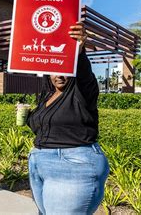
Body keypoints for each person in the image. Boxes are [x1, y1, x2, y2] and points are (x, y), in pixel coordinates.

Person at [26, 22, 110, 214]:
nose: (60, 76)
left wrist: (79, 49)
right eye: (55, 70)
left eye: (65, 69)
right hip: (40, 164)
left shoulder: (82, 92)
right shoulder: (46, 96)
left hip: (73, 166)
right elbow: (43, 126)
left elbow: (84, 74)